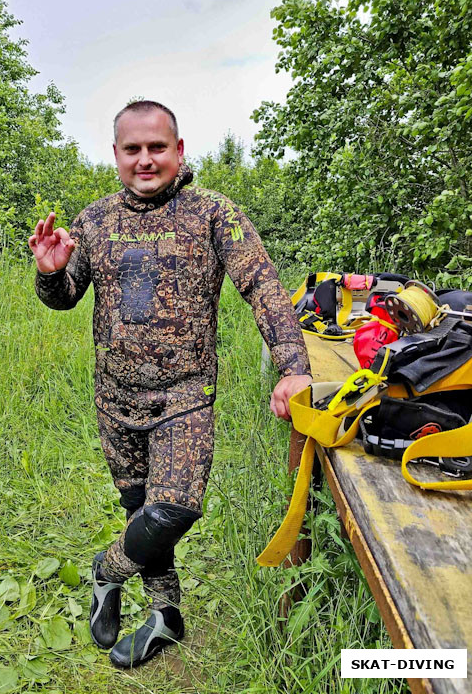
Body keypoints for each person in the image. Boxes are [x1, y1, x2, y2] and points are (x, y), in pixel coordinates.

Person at [29, 101, 312, 668]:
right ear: (115, 156)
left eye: (157, 147)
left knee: (173, 510)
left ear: (179, 150)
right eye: (132, 149)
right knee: (139, 511)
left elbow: (263, 286)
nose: (145, 159)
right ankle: (167, 613)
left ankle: (105, 572)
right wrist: (50, 273)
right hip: (115, 399)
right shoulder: (95, 220)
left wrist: (293, 365)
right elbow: (64, 299)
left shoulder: (213, 214)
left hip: (185, 398)